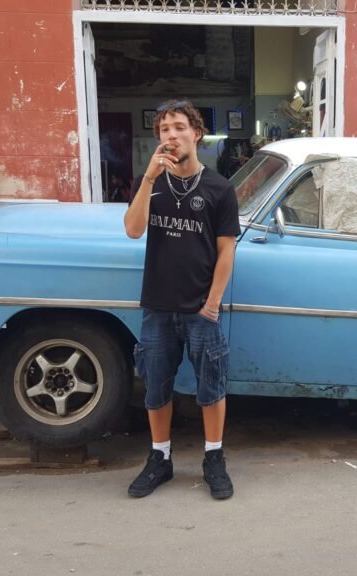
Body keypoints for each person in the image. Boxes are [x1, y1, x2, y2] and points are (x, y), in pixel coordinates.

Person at [123, 99, 241, 500]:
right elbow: (133, 230)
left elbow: (227, 251)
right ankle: (160, 458)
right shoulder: (151, 183)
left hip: (200, 310)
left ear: (196, 134)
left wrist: (212, 305)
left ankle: (213, 457)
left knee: (212, 386)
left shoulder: (219, 188)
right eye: (163, 130)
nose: (170, 136)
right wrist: (148, 180)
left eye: (177, 127)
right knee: (156, 386)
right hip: (157, 307)